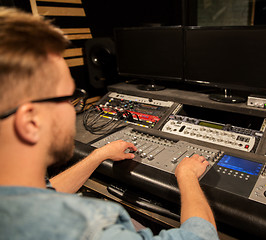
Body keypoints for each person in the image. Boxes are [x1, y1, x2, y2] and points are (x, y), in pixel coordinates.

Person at [0, 7, 218, 240]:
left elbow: (44, 192)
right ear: (30, 122)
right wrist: (187, 176)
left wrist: (99, 155)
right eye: (68, 96)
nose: (75, 106)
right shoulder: (91, 228)